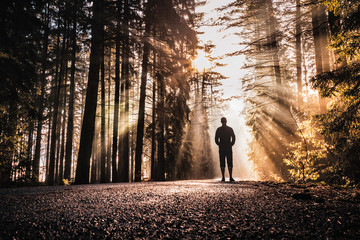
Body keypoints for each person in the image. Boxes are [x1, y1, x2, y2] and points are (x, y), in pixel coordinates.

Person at [215, 117, 236, 182]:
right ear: (226, 121)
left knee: (222, 162)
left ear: (221, 122)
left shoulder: (218, 129)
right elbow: (233, 137)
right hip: (228, 148)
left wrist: (219, 144)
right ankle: (230, 177)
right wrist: (231, 144)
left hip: (221, 148)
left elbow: (216, 139)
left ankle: (223, 177)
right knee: (230, 162)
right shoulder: (230, 129)